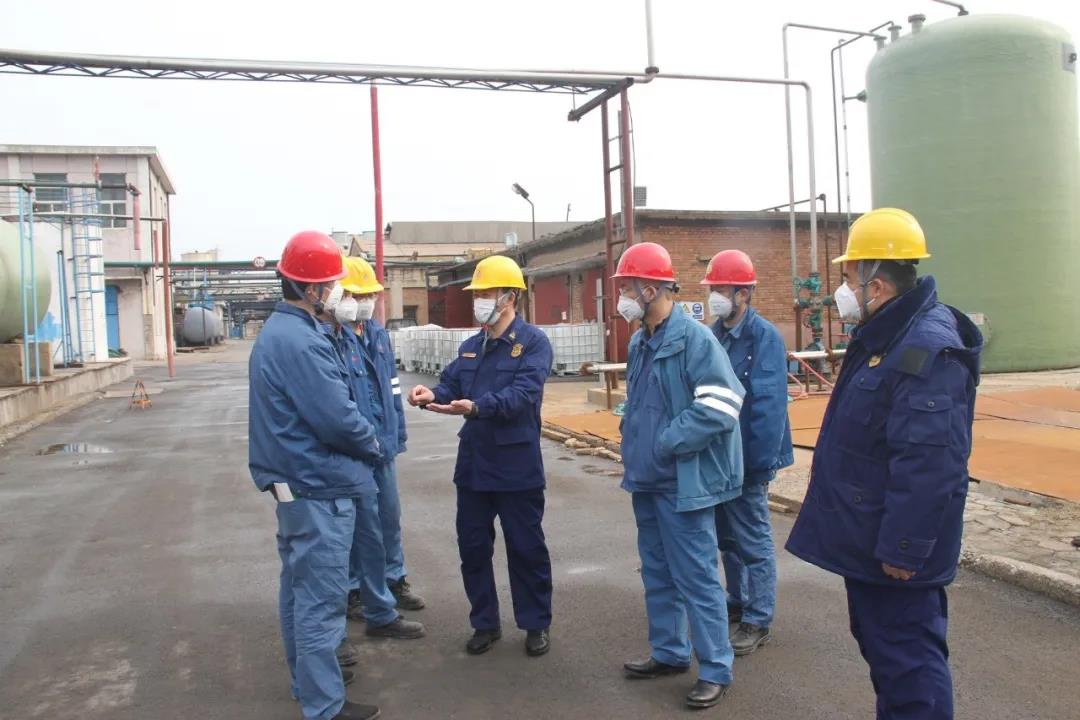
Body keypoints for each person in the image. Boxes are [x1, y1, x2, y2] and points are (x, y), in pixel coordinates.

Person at [786, 208, 982, 720]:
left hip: (895, 550)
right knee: (889, 653)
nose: (842, 290)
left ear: (876, 284)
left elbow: (931, 461)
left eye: (849, 277)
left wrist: (904, 547)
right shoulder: (888, 334)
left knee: (909, 665)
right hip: (870, 532)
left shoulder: (923, 348)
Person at [248, 230, 381, 720]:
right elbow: (337, 419)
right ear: (309, 289)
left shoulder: (283, 333)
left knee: (299, 593)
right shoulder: (302, 342)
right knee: (320, 604)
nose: (337, 292)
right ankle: (324, 706)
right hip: (317, 486)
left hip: (297, 486)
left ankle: (308, 689)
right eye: (331, 284)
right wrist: (373, 443)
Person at [614, 242, 744, 710]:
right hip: (647, 480)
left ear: (650, 289)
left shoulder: (695, 340)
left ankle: (715, 668)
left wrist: (667, 441)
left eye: (626, 287)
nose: (621, 297)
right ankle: (669, 652)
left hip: (681, 483)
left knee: (697, 577)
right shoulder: (640, 341)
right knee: (657, 571)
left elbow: (723, 404)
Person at [407, 255, 554, 658]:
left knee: (526, 548)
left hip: (516, 466)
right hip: (474, 465)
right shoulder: (472, 347)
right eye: (478, 294)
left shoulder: (533, 344)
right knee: (472, 547)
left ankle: (535, 623)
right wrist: (430, 394)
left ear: (510, 298)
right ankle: (484, 623)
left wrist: (476, 407)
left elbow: (524, 395)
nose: (480, 301)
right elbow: (451, 384)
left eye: (487, 293)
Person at [702, 249, 794, 656]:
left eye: (722, 289)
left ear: (744, 293)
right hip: (721, 457)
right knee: (727, 537)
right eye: (713, 288)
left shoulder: (764, 337)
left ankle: (758, 618)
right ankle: (737, 600)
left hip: (750, 459)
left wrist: (757, 466)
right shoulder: (714, 334)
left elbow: (769, 407)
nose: (715, 296)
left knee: (753, 540)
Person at [330, 256, 425, 641]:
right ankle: (358, 590)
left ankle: (393, 579)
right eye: (356, 295)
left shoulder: (377, 334)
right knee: (361, 525)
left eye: (368, 295)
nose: (364, 302)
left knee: (388, 516)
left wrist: (396, 434)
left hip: (382, 444)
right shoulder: (333, 338)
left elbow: (391, 389)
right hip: (354, 450)